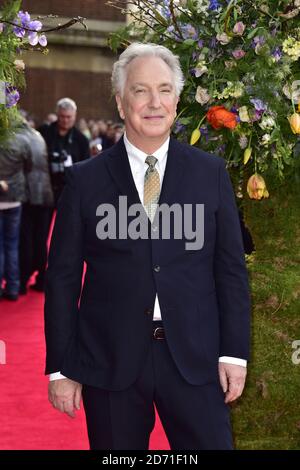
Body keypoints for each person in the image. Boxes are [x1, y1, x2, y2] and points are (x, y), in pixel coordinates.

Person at [45, 43, 251, 450]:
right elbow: (63, 278)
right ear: (122, 104)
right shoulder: (86, 181)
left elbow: (229, 270)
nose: (154, 102)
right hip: (111, 360)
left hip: (196, 359)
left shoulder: (209, 174)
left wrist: (234, 353)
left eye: (163, 90)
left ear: (176, 100)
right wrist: (60, 368)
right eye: (140, 91)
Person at [34, 98, 90, 292]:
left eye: (69, 117)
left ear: (75, 117)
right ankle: (41, 276)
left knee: (68, 238)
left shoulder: (81, 140)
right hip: (46, 190)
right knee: (41, 236)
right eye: (62, 117)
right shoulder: (44, 133)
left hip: (70, 193)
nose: (65, 120)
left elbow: (87, 167)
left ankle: (65, 279)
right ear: (57, 115)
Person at [0, 125, 32, 300]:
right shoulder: (21, 140)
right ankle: (13, 287)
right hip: (14, 197)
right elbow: (29, 165)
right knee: (12, 245)